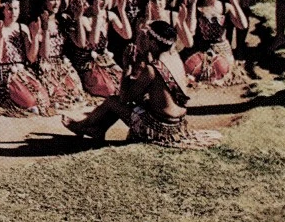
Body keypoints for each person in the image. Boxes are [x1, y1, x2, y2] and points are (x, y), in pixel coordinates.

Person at [63, 22, 217, 149]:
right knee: (131, 101)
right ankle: (94, 128)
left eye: (146, 37)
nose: (142, 39)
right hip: (178, 124)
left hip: (159, 128)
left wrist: (127, 67)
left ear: (153, 43)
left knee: (112, 101)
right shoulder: (174, 56)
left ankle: (84, 126)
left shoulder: (152, 69)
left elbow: (124, 97)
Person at [0, 0, 52, 115]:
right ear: (3, 10)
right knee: (30, 101)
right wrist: (1, 36)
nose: (13, 12)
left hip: (21, 72)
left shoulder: (23, 28)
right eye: (10, 9)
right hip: (4, 74)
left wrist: (34, 36)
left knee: (44, 99)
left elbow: (31, 58)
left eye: (16, 8)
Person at [180, 0, 248, 85]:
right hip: (199, 48)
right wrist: (193, 3)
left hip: (222, 50)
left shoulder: (225, 7)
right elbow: (190, 30)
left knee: (221, 69)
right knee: (191, 68)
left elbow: (243, 25)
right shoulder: (197, 7)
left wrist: (233, 0)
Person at [26, 0, 84, 110]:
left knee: (76, 94)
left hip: (61, 64)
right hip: (45, 65)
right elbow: (44, 54)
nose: (56, 3)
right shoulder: (35, 22)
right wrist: (45, 29)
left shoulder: (62, 19)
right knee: (60, 97)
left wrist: (78, 18)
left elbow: (80, 43)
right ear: (43, 1)